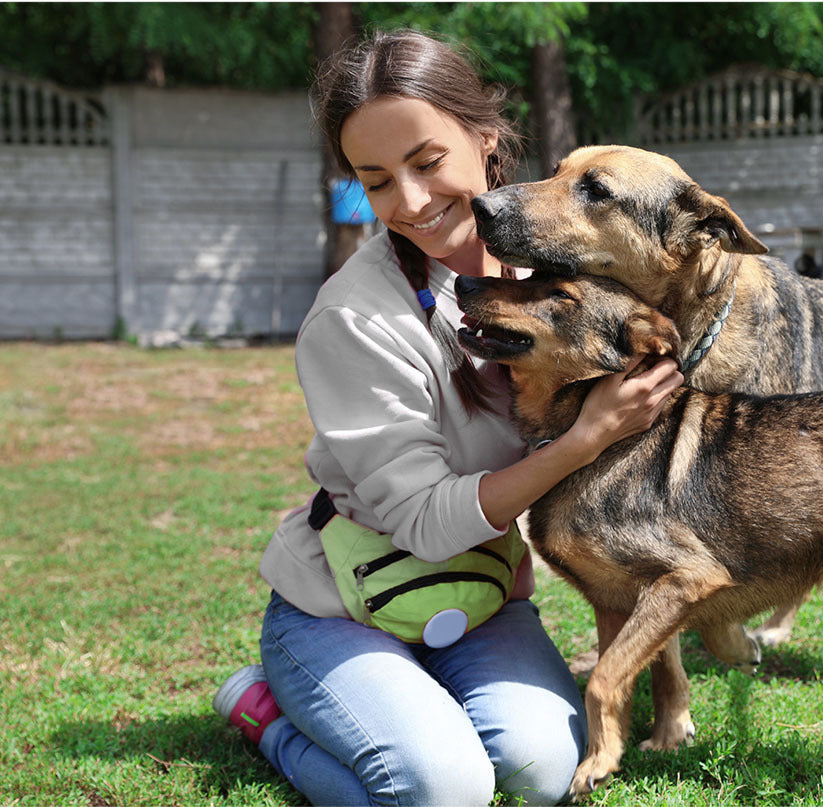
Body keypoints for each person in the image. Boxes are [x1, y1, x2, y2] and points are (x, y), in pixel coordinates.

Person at [211, 29, 683, 806]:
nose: (413, 200)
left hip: (480, 596)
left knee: (542, 772)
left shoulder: (560, 267)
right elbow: (427, 521)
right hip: (347, 605)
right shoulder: (355, 318)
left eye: (427, 162)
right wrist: (588, 436)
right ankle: (269, 716)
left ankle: (420, 702)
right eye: (379, 181)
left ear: (485, 138)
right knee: (438, 787)